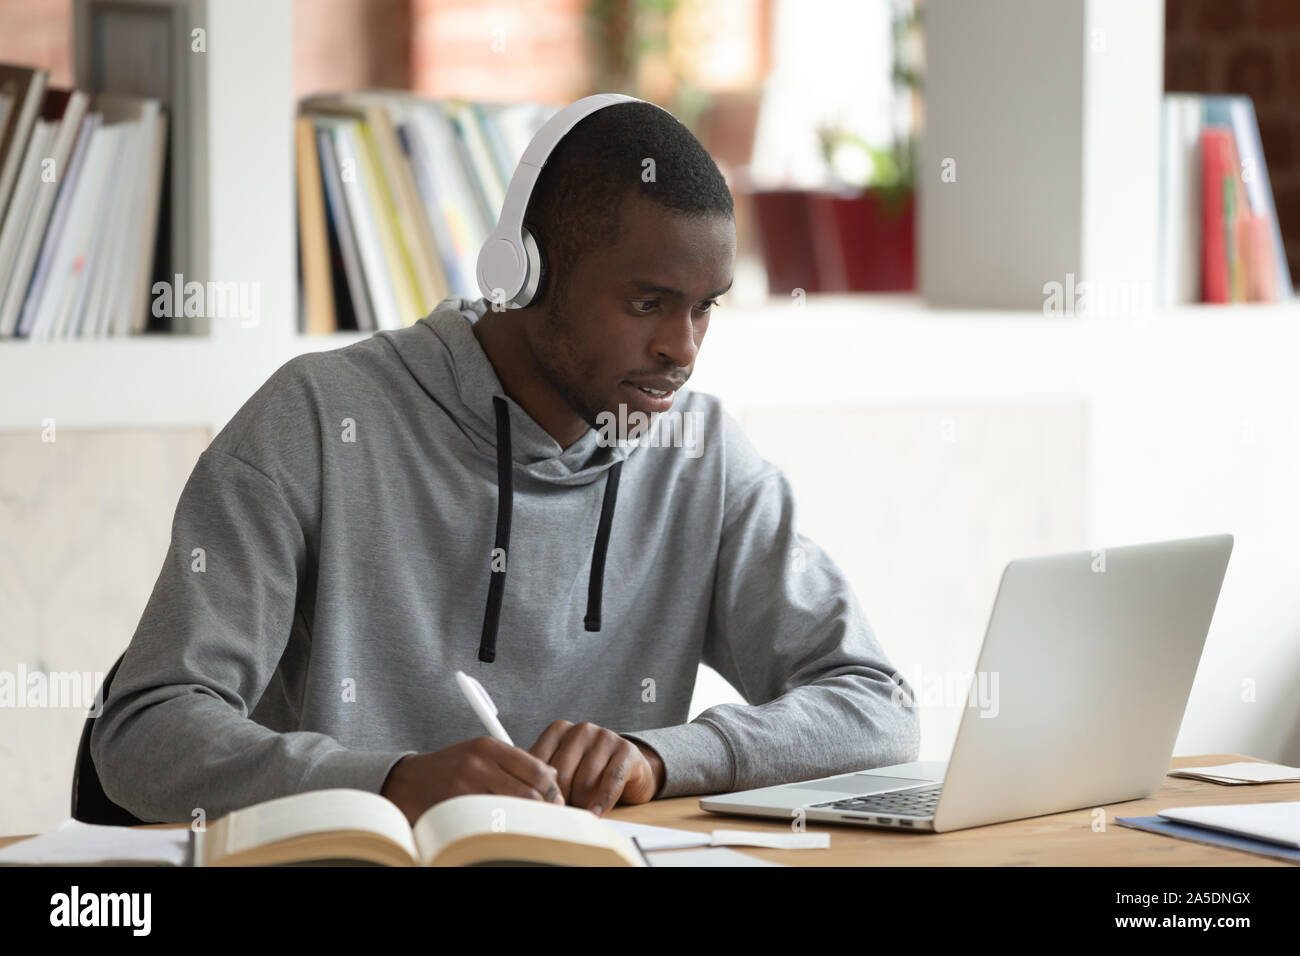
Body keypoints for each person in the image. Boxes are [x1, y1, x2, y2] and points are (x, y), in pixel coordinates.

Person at [92, 100, 919, 826]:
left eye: (705, 308)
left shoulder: (700, 459)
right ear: (522, 274)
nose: (683, 349)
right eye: (646, 303)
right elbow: (146, 728)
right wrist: (388, 784)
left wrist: (659, 758)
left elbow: (876, 706)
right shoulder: (314, 422)